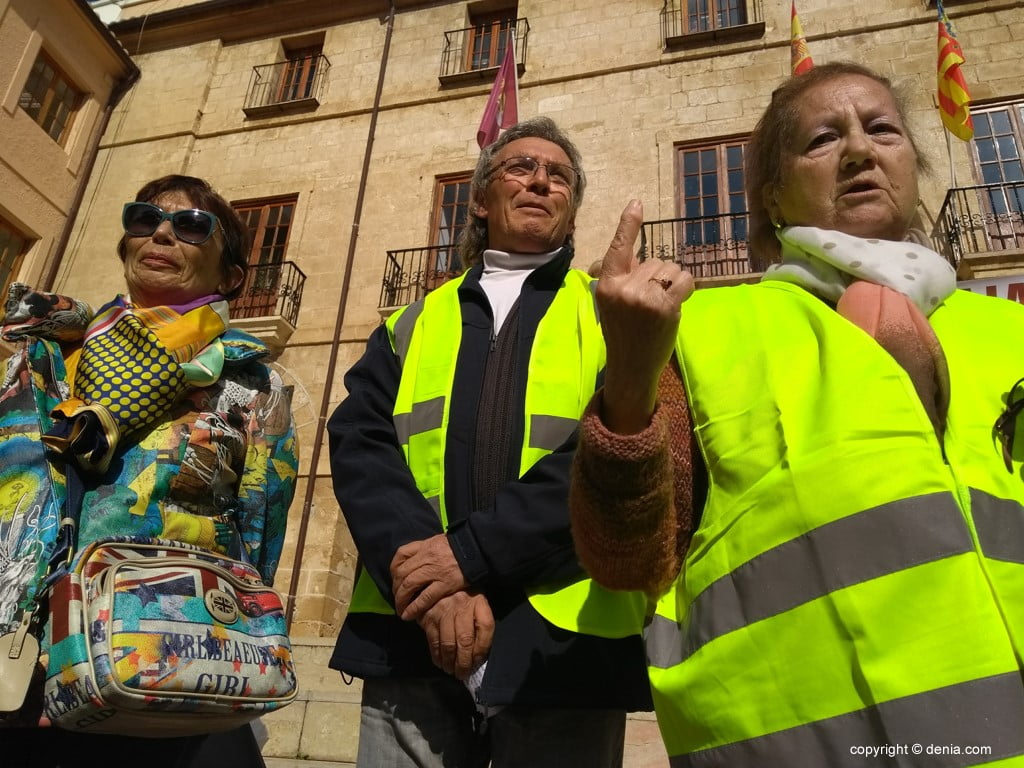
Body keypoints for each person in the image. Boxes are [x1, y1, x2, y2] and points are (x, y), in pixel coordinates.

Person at [570, 62, 1024, 765]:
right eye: (820, 139)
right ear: (772, 198)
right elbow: (623, 559)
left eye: (882, 129)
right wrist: (629, 381)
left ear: (913, 162)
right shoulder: (700, 329)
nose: (859, 151)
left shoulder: (1010, 331)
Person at [328, 116, 651, 768]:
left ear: (572, 205)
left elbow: (613, 446)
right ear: (479, 199)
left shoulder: (611, 313)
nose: (540, 181)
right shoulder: (409, 323)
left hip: (560, 644)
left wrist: (470, 557)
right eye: (521, 167)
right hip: (411, 632)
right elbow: (361, 448)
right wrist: (434, 583)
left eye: (558, 176)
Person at [0, 175, 298, 767]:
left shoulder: (249, 383)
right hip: (23, 651)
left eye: (191, 225)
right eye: (144, 219)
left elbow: (260, 532)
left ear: (230, 275)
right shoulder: (47, 354)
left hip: (165, 657)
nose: (161, 231)